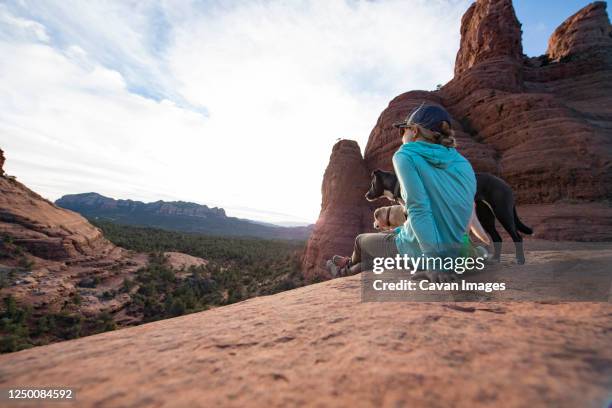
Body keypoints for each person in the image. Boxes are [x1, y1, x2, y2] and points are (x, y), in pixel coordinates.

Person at [326, 104, 477, 283]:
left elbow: (419, 209)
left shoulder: (407, 155)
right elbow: (453, 212)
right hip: (457, 252)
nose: (401, 136)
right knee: (383, 249)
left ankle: (343, 270)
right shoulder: (463, 163)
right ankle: (349, 267)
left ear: (414, 131)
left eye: (402, 130)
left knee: (360, 240)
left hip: (423, 252)